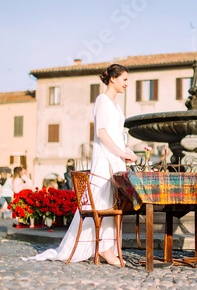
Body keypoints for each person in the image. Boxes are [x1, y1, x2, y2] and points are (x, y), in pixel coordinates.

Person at [23, 64, 138, 267]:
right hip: (105, 158)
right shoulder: (102, 101)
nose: (127, 84)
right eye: (125, 79)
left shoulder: (116, 105)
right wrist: (120, 153)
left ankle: (107, 246)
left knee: (112, 201)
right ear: (113, 78)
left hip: (116, 157)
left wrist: (126, 152)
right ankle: (103, 248)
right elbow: (102, 133)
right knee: (103, 201)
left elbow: (117, 134)